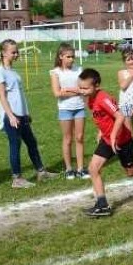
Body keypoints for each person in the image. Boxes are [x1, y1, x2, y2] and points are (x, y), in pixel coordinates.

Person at [78, 68, 133, 217]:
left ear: (97, 86)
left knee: (131, 172)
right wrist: (102, 131)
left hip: (121, 139)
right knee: (93, 169)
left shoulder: (102, 98)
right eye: (81, 87)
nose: (82, 91)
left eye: (85, 88)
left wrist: (113, 135)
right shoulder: (90, 96)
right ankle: (103, 205)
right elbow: (104, 117)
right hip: (107, 139)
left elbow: (119, 116)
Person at [0, 39, 58, 188]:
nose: (16, 54)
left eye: (17, 52)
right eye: (13, 52)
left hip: (21, 115)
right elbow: (2, 96)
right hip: (11, 116)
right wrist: (10, 116)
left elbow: (19, 95)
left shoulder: (13, 71)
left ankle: (41, 172)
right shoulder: (0, 71)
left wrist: (26, 113)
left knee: (31, 143)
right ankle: (17, 179)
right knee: (15, 145)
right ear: (4, 53)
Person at [49, 43, 87, 180]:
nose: (71, 59)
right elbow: (57, 93)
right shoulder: (55, 72)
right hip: (65, 109)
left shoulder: (79, 70)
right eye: (68, 57)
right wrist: (75, 91)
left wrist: (68, 90)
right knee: (67, 139)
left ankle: (81, 168)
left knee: (80, 137)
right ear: (61, 57)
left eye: (73, 56)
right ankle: (69, 168)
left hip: (79, 108)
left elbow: (84, 89)